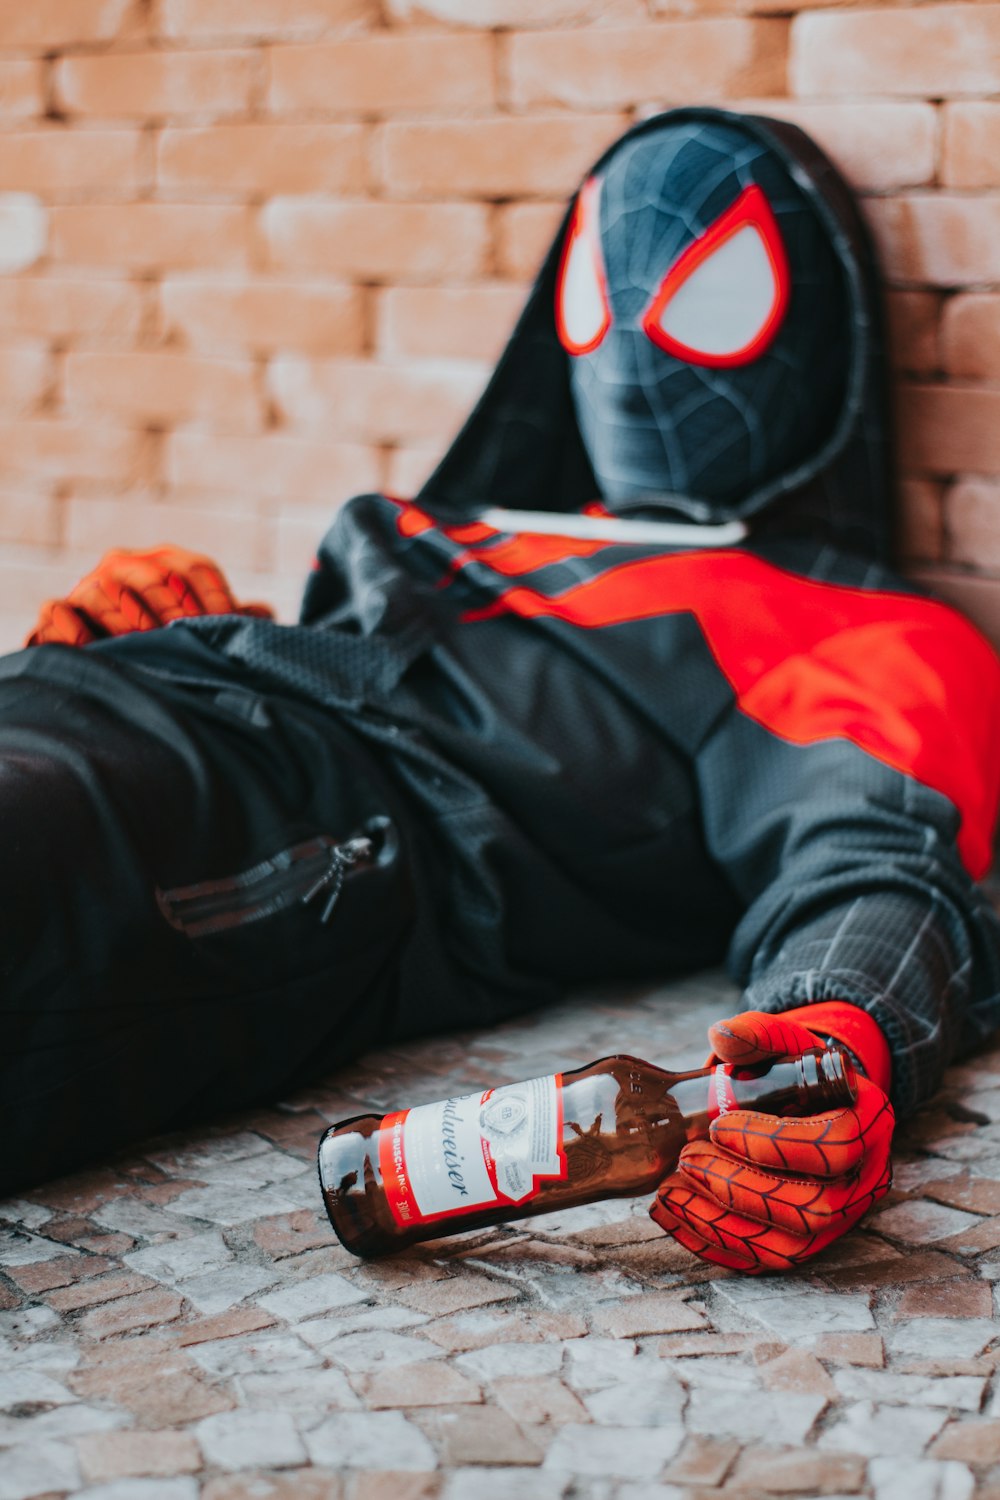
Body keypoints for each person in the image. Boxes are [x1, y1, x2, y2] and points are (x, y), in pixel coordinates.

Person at [6, 108, 1000, 1275]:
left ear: (814, 337)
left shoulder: (862, 628)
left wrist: (834, 1044)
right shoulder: (505, 528)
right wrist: (141, 620)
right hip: (108, 702)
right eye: (597, 294)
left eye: (708, 295)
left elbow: (883, 866)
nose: (634, 341)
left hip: (297, 818)